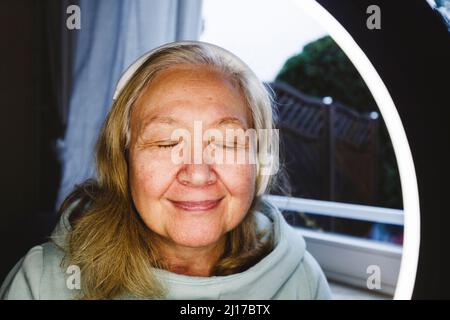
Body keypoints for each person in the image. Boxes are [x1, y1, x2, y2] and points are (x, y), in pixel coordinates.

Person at [0, 41, 332, 300]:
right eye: (165, 143)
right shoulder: (41, 283)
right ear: (123, 160)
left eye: (228, 143)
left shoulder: (303, 280)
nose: (199, 174)